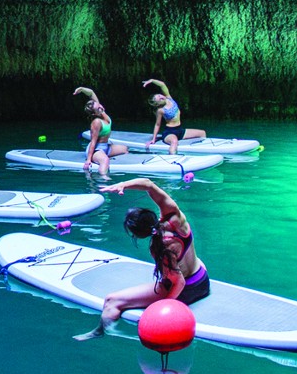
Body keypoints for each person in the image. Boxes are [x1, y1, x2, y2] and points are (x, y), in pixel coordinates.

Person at [74, 176, 210, 339]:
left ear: (139, 235)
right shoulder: (175, 217)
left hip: (187, 289)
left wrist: (160, 308)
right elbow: (148, 184)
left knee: (111, 301)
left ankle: (101, 332)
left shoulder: (161, 248)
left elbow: (179, 282)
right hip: (202, 278)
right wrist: (123, 184)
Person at [74, 85, 128, 180]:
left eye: (99, 105)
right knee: (105, 160)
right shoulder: (96, 122)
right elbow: (93, 142)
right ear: (94, 113)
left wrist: (81, 89)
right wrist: (88, 159)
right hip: (97, 149)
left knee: (125, 149)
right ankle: (103, 180)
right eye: (98, 108)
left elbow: (91, 93)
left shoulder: (102, 112)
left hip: (106, 147)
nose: (100, 107)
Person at [141, 77, 207, 152]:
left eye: (159, 95)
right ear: (157, 104)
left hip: (180, 130)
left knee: (202, 133)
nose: (161, 97)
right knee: (174, 142)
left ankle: (203, 152)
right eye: (159, 99)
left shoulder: (169, 98)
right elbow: (157, 125)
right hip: (170, 132)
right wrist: (153, 139)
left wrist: (152, 80)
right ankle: (172, 158)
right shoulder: (160, 110)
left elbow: (162, 85)